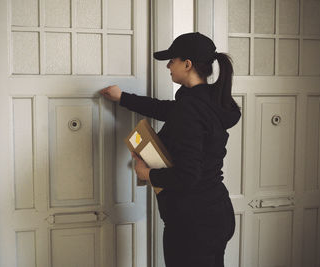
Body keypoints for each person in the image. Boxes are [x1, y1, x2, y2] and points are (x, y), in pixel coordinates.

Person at [99, 32, 241, 267]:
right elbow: (164, 109)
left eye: (172, 60)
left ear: (187, 64)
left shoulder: (190, 108)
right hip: (216, 213)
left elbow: (188, 176)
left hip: (193, 224)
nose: (168, 66)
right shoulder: (208, 101)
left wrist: (147, 174)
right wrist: (122, 97)